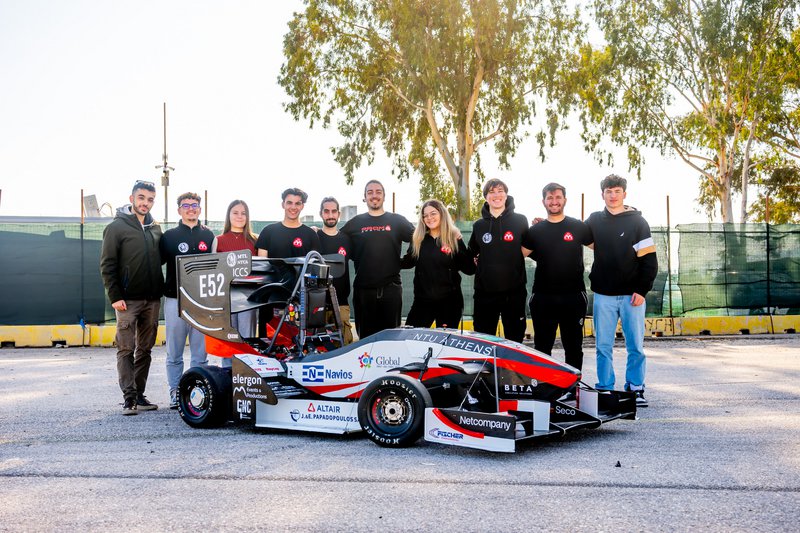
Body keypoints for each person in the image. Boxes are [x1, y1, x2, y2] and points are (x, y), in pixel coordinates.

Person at [585, 174, 658, 407]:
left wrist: (642, 290)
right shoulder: (594, 220)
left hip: (631, 296)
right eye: (608, 191)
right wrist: (544, 225)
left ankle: (635, 387)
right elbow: (572, 234)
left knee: (635, 346)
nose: (613, 195)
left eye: (617, 191)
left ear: (624, 194)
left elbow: (650, 261)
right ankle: (605, 388)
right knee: (603, 346)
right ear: (602, 194)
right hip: (603, 295)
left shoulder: (638, 223)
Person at [100, 180, 164, 415]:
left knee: (145, 350)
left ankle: (139, 394)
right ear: (132, 199)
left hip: (152, 300)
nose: (145, 203)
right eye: (141, 198)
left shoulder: (155, 228)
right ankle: (129, 398)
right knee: (126, 349)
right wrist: (115, 295)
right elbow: (107, 264)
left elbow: (160, 258)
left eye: (150, 199)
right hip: (127, 300)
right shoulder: (116, 227)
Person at [522, 183, 592, 382]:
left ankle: (572, 387)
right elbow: (517, 255)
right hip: (543, 298)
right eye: (550, 198)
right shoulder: (536, 230)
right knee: (542, 348)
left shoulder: (577, 226)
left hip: (573, 297)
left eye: (558, 197)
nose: (554, 201)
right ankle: (543, 387)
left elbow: (603, 247)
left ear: (565, 200)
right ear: (543, 201)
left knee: (573, 347)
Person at [160, 192, 216, 409]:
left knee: (200, 354)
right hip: (175, 300)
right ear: (179, 210)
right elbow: (156, 263)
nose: (191, 208)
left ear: (200, 209)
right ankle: (175, 392)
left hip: (201, 302)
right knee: (174, 352)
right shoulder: (169, 236)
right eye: (186, 205)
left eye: (194, 205)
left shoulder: (209, 236)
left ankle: (195, 391)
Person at [341, 179, 414, 339]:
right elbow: (337, 238)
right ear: (365, 197)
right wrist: (317, 231)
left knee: (391, 340)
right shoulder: (355, 223)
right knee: (366, 342)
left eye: (378, 192)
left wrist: (407, 261)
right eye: (370, 192)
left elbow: (418, 237)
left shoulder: (397, 220)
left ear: (384, 196)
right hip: (363, 291)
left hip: (391, 290)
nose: (374, 195)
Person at [468, 178, 530, 342]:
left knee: (515, 341)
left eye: (500, 191)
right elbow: (472, 252)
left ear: (506, 195)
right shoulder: (479, 225)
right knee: (483, 341)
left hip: (514, 293)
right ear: (486, 197)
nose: (496, 195)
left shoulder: (520, 221)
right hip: (485, 294)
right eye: (492, 192)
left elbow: (530, 248)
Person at [401, 199, 475, 329]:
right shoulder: (418, 239)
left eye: (433, 213)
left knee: (445, 341)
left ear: (442, 213)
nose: (429, 218)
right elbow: (408, 262)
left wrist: (458, 251)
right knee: (411, 337)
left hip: (450, 303)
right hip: (422, 302)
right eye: (425, 215)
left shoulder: (453, 238)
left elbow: (469, 269)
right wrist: (385, 259)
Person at [213, 199, 258, 359]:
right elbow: (214, 273)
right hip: (226, 298)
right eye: (235, 212)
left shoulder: (255, 240)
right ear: (229, 215)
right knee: (229, 341)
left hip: (248, 298)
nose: (239, 216)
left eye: (243, 213)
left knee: (246, 340)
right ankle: (227, 371)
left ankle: (247, 370)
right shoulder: (218, 240)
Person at [317, 196, 354, 344]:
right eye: (326, 211)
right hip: (317, 303)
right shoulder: (314, 237)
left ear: (339, 214)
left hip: (341, 303)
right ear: (321, 213)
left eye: (334, 211)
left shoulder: (347, 239)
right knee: (319, 348)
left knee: (344, 346)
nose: (330, 215)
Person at [256, 188, 320, 258]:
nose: (293, 207)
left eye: (297, 203)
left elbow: (314, 262)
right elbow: (262, 263)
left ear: (302, 206)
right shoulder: (268, 231)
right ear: (283, 204)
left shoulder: (311, 234)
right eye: (289, 203)